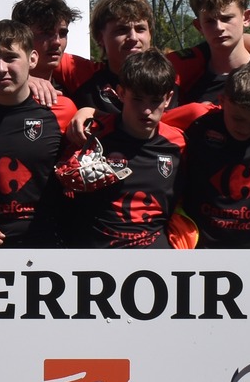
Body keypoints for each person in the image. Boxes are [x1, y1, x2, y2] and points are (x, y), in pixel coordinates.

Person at [0, 20, 78, 249]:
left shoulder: (63, 110)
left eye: (10, 58)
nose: (0, 68)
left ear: (32, 59)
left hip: (46, 247)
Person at [61, 49, 187, 248]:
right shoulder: (91, 136)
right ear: (120, 93)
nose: (146, 110)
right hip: (97, 258)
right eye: (137, 99)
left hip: (157, 259)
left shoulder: (179, 144)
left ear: (168, 98)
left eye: (155, 100)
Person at [166, 63, 250, 249]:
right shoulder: (197, 117)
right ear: (222, 100)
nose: (245, 128)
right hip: (200, 244)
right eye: (238, 118)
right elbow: (151, 123)